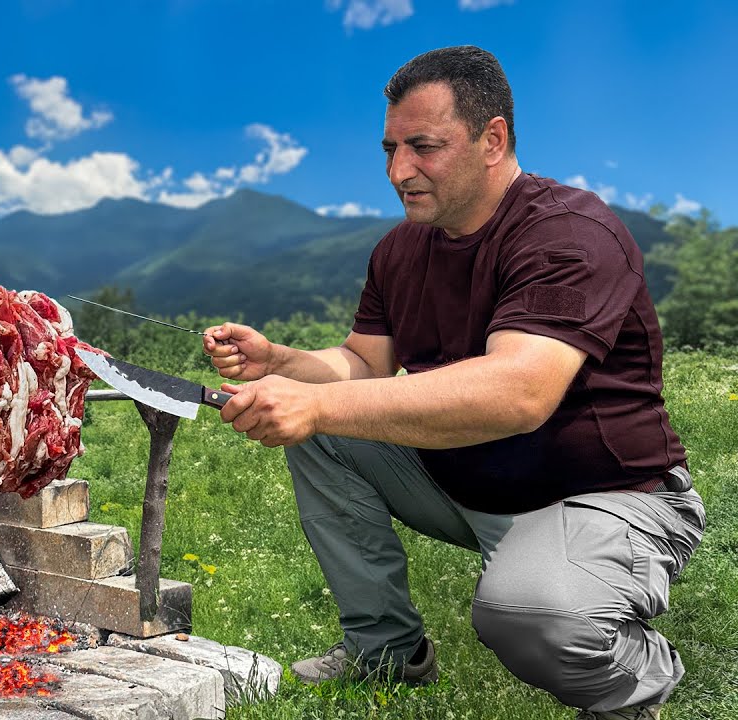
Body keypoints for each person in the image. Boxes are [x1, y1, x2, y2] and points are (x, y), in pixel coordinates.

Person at [202, 46, 704, 720]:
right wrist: (282, 362)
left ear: (492, 139)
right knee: (328, 438)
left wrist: (318, 403)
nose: (396, 170)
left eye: (423, 147)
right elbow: (364, 364)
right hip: (470, 483)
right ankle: (388, 653)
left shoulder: (569, 232)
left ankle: (632, 682)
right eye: (389, 148)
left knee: (529, 615)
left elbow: (518, 393)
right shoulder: (401, 248)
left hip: (603, 496)